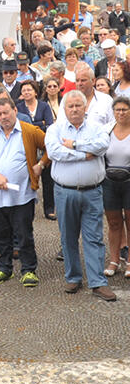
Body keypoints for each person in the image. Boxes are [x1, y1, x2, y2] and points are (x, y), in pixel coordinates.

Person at [44, 91, 116, 300]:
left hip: (93, 191)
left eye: (78, 105)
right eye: (70, 106)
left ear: (85, 108)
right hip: (64, 191)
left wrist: (75, 145)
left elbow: (102, 146)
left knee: (94, 238)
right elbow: (55, 152)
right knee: (68, 237)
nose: (74, 109)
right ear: (64, 109)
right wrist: (86, 155)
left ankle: (98, 282)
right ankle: (73, 277)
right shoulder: (54, 129)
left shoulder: (97, 128)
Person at [0, 95, 48, 288]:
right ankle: (5, 268)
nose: (3, 117)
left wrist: (41, 164)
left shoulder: (29, 131)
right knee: (1, 234)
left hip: (22, 195)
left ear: (15, 111)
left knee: (24, 234)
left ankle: (28, 270)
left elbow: (50, 146)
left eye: (6, 112)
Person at [103, 96, 130, 280]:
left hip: (129, 181)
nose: (121, 113)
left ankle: (129, 261)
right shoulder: (106, 130)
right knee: (113, 223)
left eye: (124, 110)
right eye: (118, 110)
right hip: (109, 181)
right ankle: (114, 260)